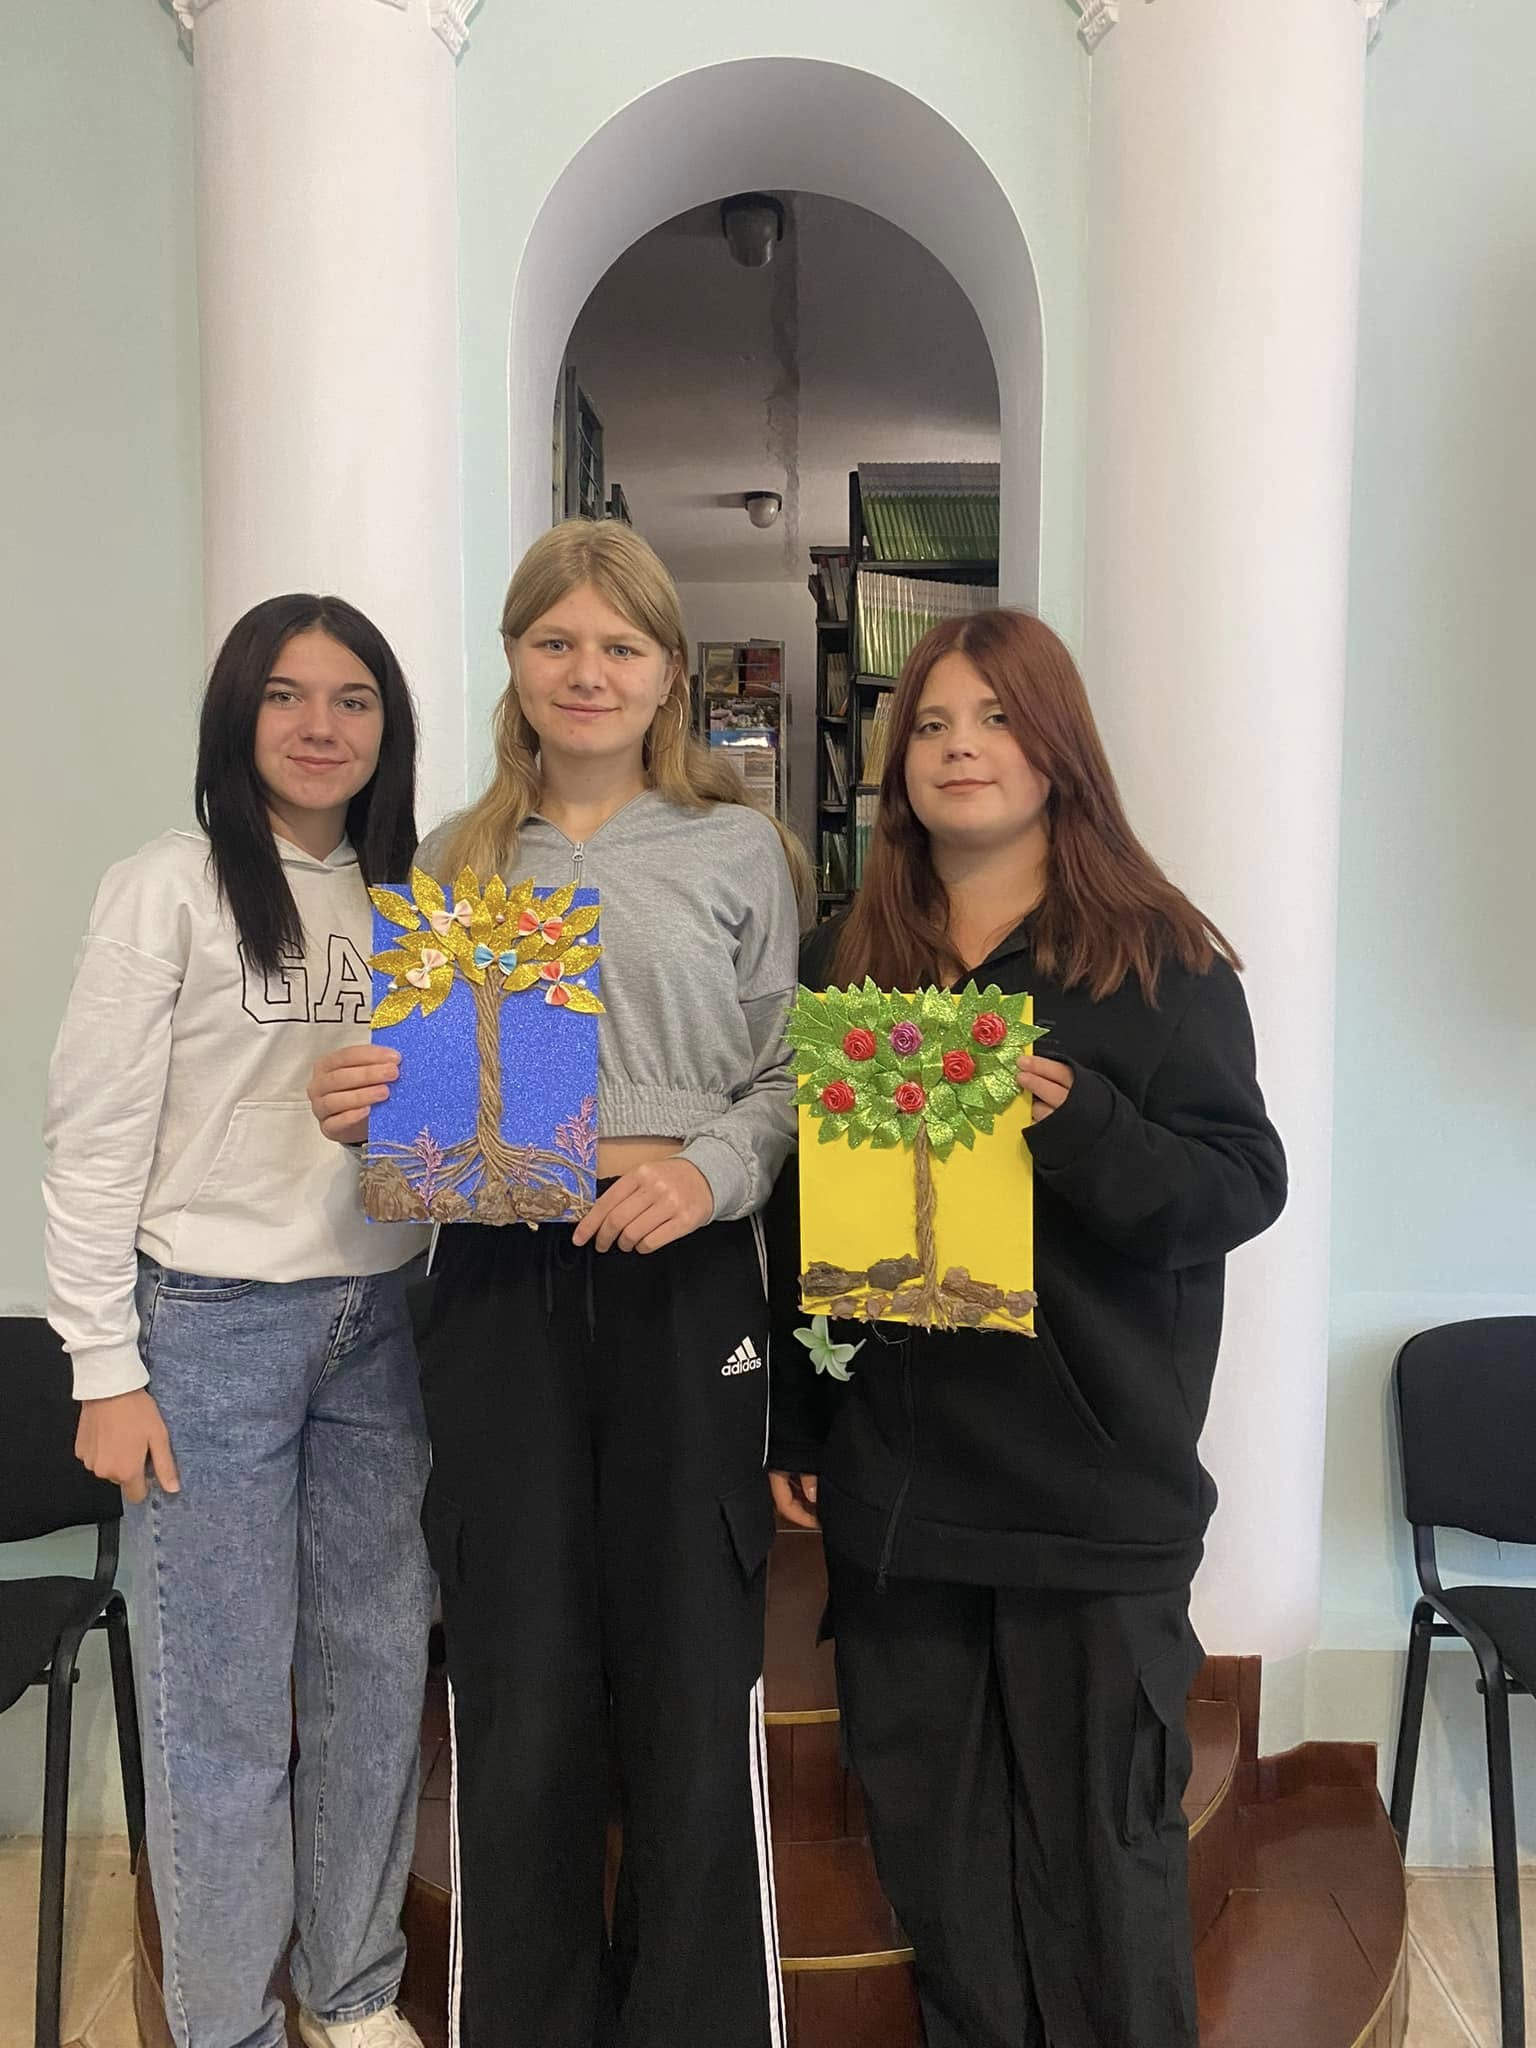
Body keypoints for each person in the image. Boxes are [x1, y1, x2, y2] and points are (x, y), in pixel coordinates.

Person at [308, 519, 804, 2048]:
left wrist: (702, 1176)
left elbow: (785, 1081)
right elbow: (429, 1119)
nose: (588, 671)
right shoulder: (452, 861)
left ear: (668, 673)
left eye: (621, 646)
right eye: (557, 642)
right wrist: (366, 1110)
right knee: (518, 1682)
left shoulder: (738, 851)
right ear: (515, 664)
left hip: (686, 1281)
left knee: (690, 1679)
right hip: (498, 1292)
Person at [768, 608, 1286, 2048]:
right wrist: (801, 1417)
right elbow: (808, 1213)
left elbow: (1240, 1187)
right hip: (902, 1497)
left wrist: (1086, 1124)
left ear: (1058, 747)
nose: (960, 749)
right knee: (940, 1866)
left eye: (995, 718)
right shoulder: (849, 960)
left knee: (1105, 1871)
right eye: (931, 725)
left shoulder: (1159, 961)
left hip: (1091, 1497)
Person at [43, 596, 435, 2048]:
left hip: (385, 1319)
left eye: (353, 699)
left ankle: (353, 1989)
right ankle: (224, 2026)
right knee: (219, 1707)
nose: (320, 726)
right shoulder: (172, 886)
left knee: (373, 1676)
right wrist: (103, 1364)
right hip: (205, 1334)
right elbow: (90, 1141)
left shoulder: (417, 901)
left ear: (389, 727)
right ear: (236, 715)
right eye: (285, 695)